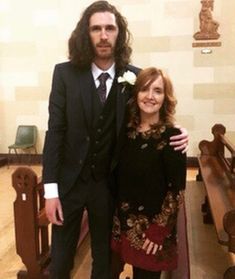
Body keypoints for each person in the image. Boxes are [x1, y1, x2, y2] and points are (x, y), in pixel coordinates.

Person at [42, 1, 188, 279]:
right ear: (86, 34)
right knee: (59, 263)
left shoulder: (134, 77)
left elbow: (151, 113)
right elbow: (55, 131)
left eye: (110, 28)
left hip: (107, 187)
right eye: (96, 28)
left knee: (104, 263)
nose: (104, 35)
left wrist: (177, 131)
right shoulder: (64, 74)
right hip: (68, 185)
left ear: (119, 34)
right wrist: (50, 192)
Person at [111, 67, 187, 279]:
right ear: (136, 95)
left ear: (166, 97)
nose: (150, 96)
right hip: (125, 226)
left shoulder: (173, 137)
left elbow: (176, 193)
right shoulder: (127, 133)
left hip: (153, 231)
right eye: (144, 89)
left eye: (158, 91)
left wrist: (157, 232)